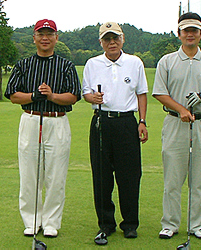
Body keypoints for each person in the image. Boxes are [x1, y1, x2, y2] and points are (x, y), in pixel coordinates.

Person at [5, 19, 81, 237]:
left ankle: (51, 223)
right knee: (29, 174)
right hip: (30, 119)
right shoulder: (24, 65)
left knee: (56, 175)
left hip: (56, 121)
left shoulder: (65, 65)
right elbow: (12, 95)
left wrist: (51, 96)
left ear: (56, 37)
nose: (45, 38)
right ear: (34, 38)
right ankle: (32, 220)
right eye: (41, 34)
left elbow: (73, 96)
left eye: (49, 34)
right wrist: (32, 96)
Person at [152, 12, 201, 240]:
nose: (190, 34)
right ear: (179, 34)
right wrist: (182, 109)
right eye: (186, 30)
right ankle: (170, 223)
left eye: (194, 30)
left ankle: (197, 225)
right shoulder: (167, 61)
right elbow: (160, 92)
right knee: (172, 179)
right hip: (175, 123)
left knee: (199, 179)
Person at [82, 22, 148, 243]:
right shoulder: (92, 64)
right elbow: (86, 94)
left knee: (129, 175)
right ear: (101, 42)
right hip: (101, 121)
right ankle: (106, 224)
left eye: (115, 38)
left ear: (123, 39)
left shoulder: (134, 62)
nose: (112, 42)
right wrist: (92, 98)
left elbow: (141, 94)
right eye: (107, 39)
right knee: (101, 176)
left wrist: (142, 121)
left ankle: (130, 224)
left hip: (127, 122)